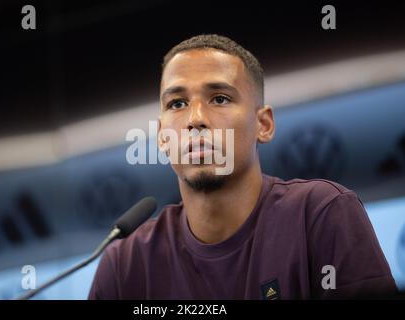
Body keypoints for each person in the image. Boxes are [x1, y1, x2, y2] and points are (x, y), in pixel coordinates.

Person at [89, 34, 397, 299]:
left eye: (220, 98)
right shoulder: (125, 264)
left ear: (263, 124)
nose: (195, 118)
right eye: (177, 104)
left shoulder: (321, 215)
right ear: (162, 137)